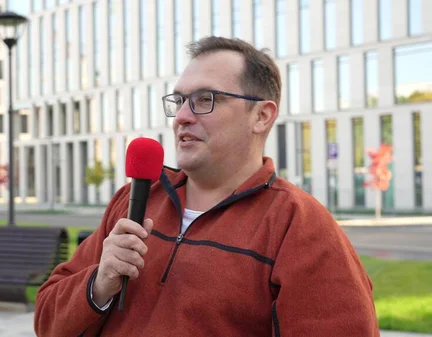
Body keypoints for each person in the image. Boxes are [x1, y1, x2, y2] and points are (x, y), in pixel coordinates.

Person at [34, 36, 379, 337]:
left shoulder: (299, 225)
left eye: (205, 99)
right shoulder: (134, 201)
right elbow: (47, 323)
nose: (183, 116)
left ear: (262, 116)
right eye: (179, 100)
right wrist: (99, 283)